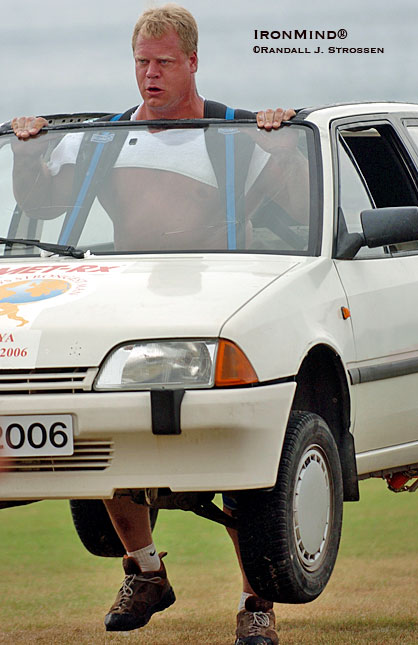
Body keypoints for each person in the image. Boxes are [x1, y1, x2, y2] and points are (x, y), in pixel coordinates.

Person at [11, 5, 298, 644]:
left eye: (164, 62)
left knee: (239, 459)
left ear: (192, 61)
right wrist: (29, 149)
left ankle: (257, 604)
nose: (151, 75)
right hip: (129, 302)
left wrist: (280, 138)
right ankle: (144, 570)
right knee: (110, 438)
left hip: (220, 305)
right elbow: (40, 202)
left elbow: (295, 202)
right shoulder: (106, 137)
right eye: (142, 62)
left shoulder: (232, 130)